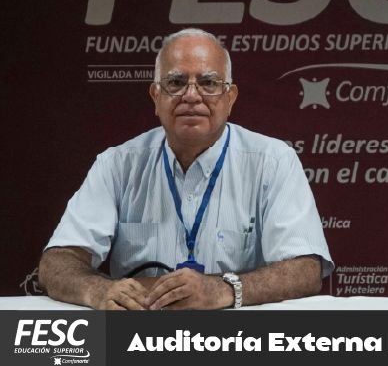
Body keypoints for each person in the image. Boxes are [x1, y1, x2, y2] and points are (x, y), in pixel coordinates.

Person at [39, 28, 333, 310]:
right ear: (156, 97)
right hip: (138, 331)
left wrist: (222, 290)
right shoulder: (117, 164)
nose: (191, 95)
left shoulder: (274, 161)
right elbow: (57, 262)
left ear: (230, 98)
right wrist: (98, 290)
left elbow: (305, 270)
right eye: (176, 82)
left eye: (209, 83)